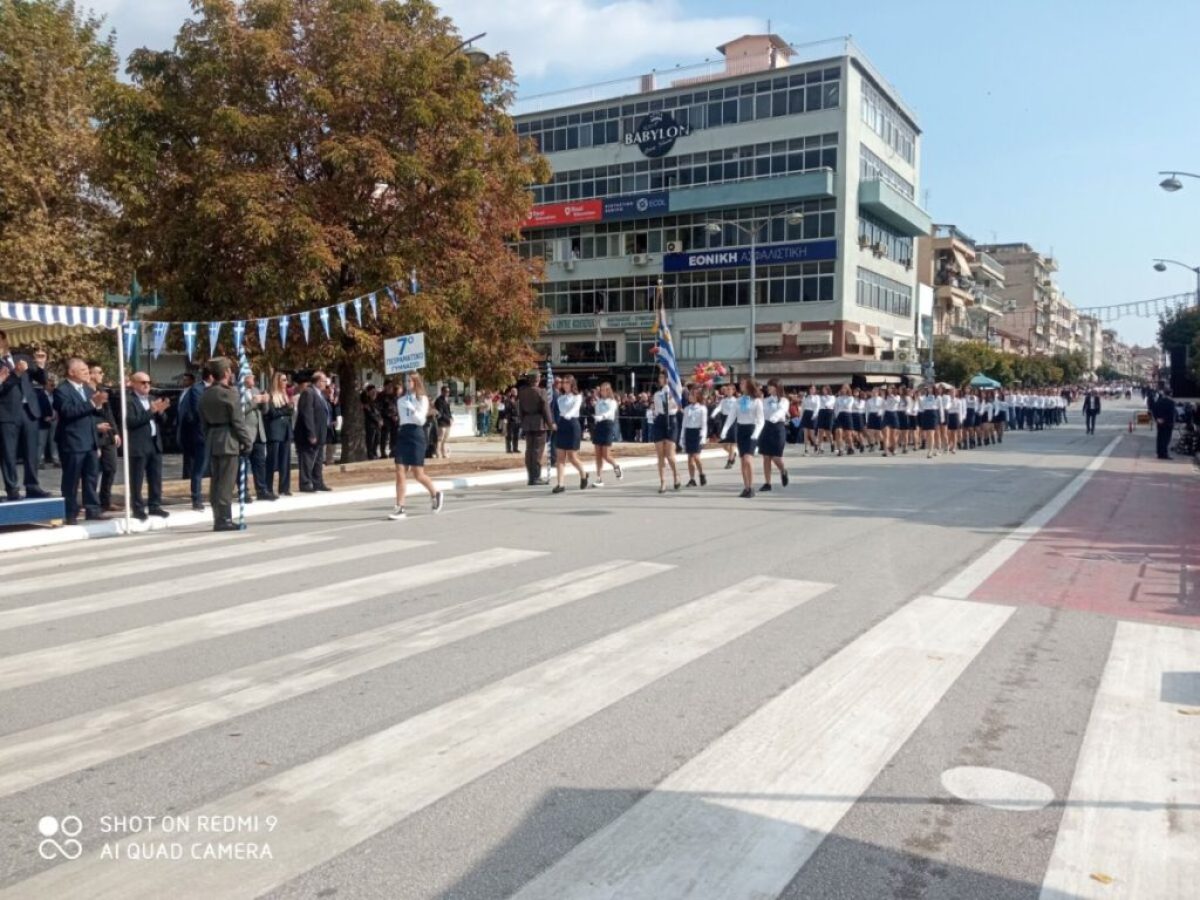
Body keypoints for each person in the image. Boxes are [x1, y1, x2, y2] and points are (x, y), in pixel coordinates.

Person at [199, 358, 254, 531]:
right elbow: (237, 421)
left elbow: (203, 422)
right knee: (226, 483)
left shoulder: (206, 393)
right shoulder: (230, 393)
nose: (231, 373)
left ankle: (218, 517)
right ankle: (224, 519)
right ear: (225, 373)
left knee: (216, 481)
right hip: (229, 439)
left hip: (213, 439)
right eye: (229, 370)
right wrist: (246, 441)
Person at [0, 333, 50, 500]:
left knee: (32, 451)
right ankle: (12, 489)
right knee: (9, 453)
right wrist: (16, 374)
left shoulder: (22, 357)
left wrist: (41, 366)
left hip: (29, 410)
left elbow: (42, 379)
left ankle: (32, 486)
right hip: (7, 413)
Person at [388, 374, 443, 520]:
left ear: (416, 382)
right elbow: (402, 419)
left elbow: (420, 419)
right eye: (405, 381)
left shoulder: (422, 399)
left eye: (409, 381)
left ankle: (435, 493)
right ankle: (400, 507)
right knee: (400, 470)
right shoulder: (400, 400)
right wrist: (406, 404)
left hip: (416, 434)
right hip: (404, 433)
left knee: (418, 473)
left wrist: (412, 407)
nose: (407, 383)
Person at [122, 371, 170, 520]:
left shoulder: (152, 399)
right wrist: (151, 411)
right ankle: (137, 508)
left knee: (155, 477)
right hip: (139, 444)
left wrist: (161, 412)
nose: (146, 385)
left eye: (148, 382)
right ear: (133, 384)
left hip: (154, 443)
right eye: (143, 382)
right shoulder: (128, 401)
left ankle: (155, 505)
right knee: (137, 479)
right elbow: (131, 422)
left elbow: (163, 421)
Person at [722, 377, 764, 498]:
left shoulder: (756, 401)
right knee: (742, 461)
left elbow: (761, 421)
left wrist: (756, 433)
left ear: (749, 385)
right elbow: (731, 417)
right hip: (741, 430)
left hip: (752, 430)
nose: (740, 384)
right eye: (740, 383)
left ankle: (751, 487)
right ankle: (746, 487)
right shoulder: (738, 401)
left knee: (747, 459)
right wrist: (725, 429)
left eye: (743, 383)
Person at [176, 369, 210, 510]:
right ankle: (196, 498)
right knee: (198, 468)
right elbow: (198, 411)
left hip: (214, 435)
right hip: (200, 435)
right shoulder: (197, 389)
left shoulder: (217, 389)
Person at [88, 364, 121, 510]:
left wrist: (115, 432)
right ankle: (90, 501)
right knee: (93, 470)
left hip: (107, 435)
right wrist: (95, 428)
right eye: (100, 372)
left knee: (111, 467)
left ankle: (105, 500)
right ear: (91, 374)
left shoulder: (102, 391)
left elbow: (109, 414)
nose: (102, 374)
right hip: (93, 434)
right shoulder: (85, 392)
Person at [295, 370, 331, 492]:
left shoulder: (320, 394)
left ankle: (318, 481)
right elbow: (307, 414)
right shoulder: (308, 393)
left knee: (319, 459)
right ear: (318, 381)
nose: (326, 383)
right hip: (310, 433)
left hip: (321, 432)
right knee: (307, 459)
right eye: (324, 381)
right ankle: (305, 483)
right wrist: (311, 433)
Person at [552, 375, 588, 493]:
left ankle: (583, 474)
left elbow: (575, 408)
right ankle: (560, 484)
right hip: (562, 424)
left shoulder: (577, 396)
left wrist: (569, 414)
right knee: (560, 457)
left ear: (572, 384)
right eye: (563, 382)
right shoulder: (560, 398)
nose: (565, 384)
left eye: (567, 382)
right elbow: (558, 410)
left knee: (572, 457)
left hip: (572, 424)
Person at [241, 371, 274, 502]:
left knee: (260, 463)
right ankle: (244, 492)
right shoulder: (237, 392)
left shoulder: (256, 390)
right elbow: (240, 410)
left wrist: (265, 401)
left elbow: (264, 412)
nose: (253, 379)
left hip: (259, 433)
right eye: (251, 377)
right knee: (243, 464)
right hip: (246, 433)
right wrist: (254, 402)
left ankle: (262, 490)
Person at [517, 372, 554, 486]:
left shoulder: (522, 392)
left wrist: (523, 421)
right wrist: (551, 424)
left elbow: (520, 409)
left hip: (527, 422)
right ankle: (536, 477)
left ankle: (530, 477)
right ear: (537, 379)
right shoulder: (541, 391)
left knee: (529, 450)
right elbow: (546, 409)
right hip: (539, 423)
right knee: (537, 451)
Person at [263, 372, 294, 496]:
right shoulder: (271, 395)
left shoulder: (286, 395)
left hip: (286, 431)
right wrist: (285, 410)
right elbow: (272, 413)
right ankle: (268, 487)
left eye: (286, 380)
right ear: (277, 381)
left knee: (285, 460)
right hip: (275, 432)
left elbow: (289, 412)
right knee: (272, 460)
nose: (286, 382)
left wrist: (287, 410)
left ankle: (284, 487)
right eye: (283, 380)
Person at [650, 371, 681, 493]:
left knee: (670, 455)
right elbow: (657, 409)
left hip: (671, 420)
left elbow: (678, 406)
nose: (660, 379)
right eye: (660, 377)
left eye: (662, 377)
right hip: (659, 421)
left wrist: (672, 397)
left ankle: (676, 475)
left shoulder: (674, 392)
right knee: (660, 455)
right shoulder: (657, 394)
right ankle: (662, 482)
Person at [759, 378, 790, 491]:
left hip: (778, 427)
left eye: (770, 386)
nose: (768, 388)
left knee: (776, 456)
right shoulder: (765, 400)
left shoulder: (784, 400)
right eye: (768, 386)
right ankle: (767, 483)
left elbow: (782, 411)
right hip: (766, 427)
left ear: (777, 387)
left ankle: (783, 470)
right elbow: (760, 412)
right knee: (766, 456)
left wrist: (774, 417)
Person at [590, 382, 622, 486]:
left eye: (605, 390)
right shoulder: (598, 402)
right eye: (601, 390)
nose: (602, 391)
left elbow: (610, 412)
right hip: (599, 426)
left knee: (606, 455)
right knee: (598, 455)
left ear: (609, 391)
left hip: (608, 425)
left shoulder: (612, 402)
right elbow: (597, 412)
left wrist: (602, 416)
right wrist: (596, 414)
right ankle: (599, 478)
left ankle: (616, 466)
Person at [681, 387, 708, 487]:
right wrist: (681, 437)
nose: (690, 397)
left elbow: (704, 424)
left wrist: (703, 437)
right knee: (689, 458)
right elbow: (684, 424)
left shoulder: (702, 408)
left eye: (692, 395)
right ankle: (692, 479)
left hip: (697, 433)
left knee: (696, 457)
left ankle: (701, 474)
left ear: (698, 396)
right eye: (689, 395)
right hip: (688, 432)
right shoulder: (687, 408)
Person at [715, 383, 738, 468]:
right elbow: (719, 408)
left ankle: (729, 461)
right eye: (726, 389)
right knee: (723, 444)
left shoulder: (736, 401)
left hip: (733, 421)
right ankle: (732, 454)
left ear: (733, 391)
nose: (727, 391)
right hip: (724, 420)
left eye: (729, 389)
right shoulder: (723, 400)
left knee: (732, 443)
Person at [1152, 389, 1176, 460]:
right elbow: (1171, 414)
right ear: (1170, 394)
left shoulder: (1159, 401)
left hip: (1160, 422)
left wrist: (1157, 418)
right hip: (1168, 423)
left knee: (1160, 438)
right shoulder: (1171, 402)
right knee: (1166, 439)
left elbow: (1153, 410)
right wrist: (1172, 422)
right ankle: (1164, 454)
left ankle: (1159, 453)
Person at [362, 385, 383, 459]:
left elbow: (379, 412)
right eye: (372, 392)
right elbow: (369, 413)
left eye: (375, 392)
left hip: (377, 424)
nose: (374, 393)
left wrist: (380, 420)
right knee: (370, 440)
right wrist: (378, 421)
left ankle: (374, 452)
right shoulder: (366, 402)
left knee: (377, 439)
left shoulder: (377, 402)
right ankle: (370, 454)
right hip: (370, 424)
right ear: (368, 393)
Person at [434, 385, 454, 458]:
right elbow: (440, 412)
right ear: (442, 392)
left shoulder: (447, 400)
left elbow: (448, 411)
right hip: (442, 421)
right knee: (440, 438)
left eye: (448, 392)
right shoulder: (439, 400)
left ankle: (444, 452)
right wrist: (448, 419)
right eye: (446, 391)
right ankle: (438, 452)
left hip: (447, 421)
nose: (447, 393)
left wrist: (451, 418)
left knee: (445, 438)